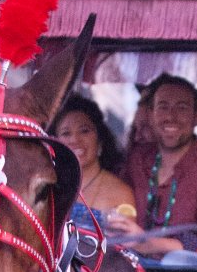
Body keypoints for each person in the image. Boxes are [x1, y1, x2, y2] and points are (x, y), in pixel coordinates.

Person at [116, 74, 197, 265]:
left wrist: (153, 244)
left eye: (182, 108)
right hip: (130, 271)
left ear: (196, 117)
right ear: (151, 114)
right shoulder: (137, 159)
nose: (171, 117)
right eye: (163, 107)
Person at [49, 95, 136, 230]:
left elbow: (124, 245)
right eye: (66, 133)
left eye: (84, 131)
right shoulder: (48, 184)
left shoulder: (121, 193)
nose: (75, 140)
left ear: (100, 139)